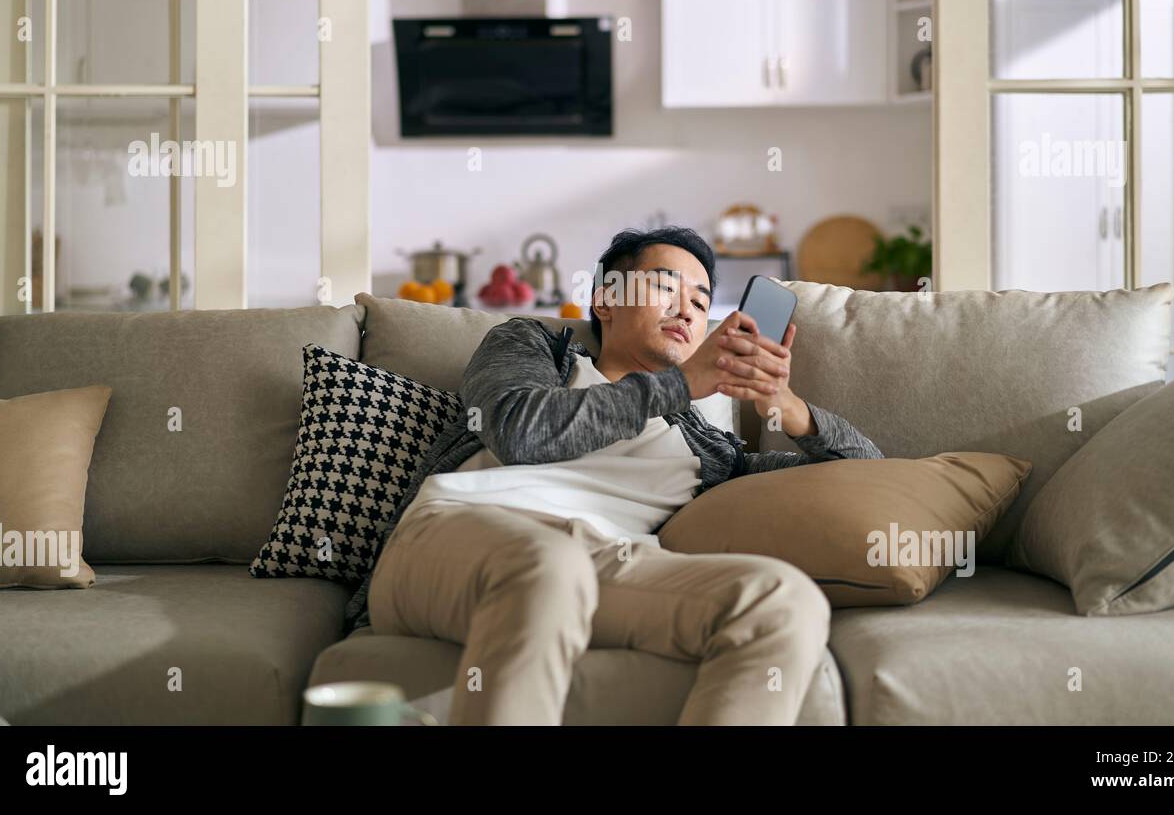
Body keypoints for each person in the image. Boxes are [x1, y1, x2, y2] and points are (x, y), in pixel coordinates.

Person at [349, 226, 883, 725]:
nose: (686, 309)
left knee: (784, 602)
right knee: (550, 565)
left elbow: (870, 480)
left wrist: (788, 406)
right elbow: (518, 431)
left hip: (604, 563)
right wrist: (679, 385)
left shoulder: (713, 453)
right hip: (457, 536)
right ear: (605, 299)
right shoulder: (537, 348)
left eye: (701, 303)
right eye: (665, 287)